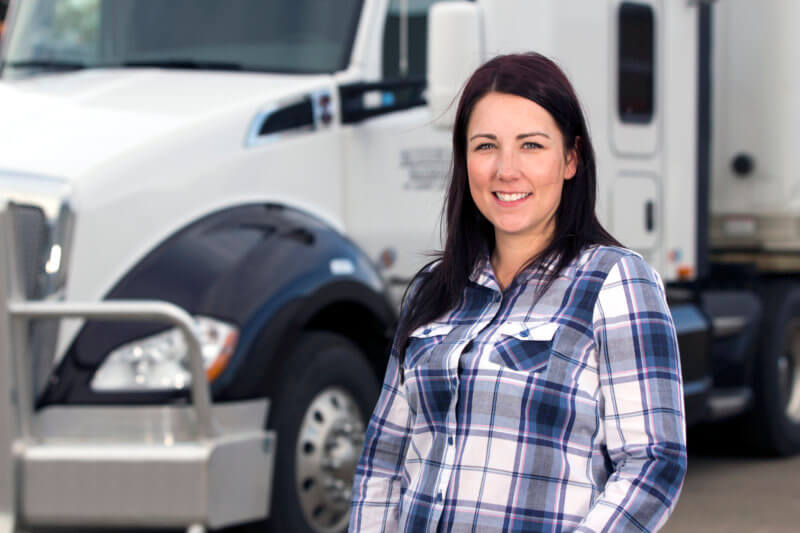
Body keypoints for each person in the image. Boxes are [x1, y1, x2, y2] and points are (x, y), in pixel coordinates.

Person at [349, 52, 686, 532]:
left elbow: (654, 463)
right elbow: (382, 462)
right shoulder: (431, 291)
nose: (506, 170)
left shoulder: (614, 282)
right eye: (486, 146)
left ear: (570, 158)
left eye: (531, 145)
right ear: (464, 159)